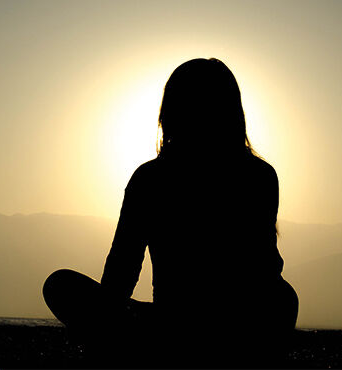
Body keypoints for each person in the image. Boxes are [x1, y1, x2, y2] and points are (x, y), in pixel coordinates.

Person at [43, 58, 298, 367]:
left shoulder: (150, 178)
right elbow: (266, 269)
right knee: (283, 297)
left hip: (174, 329)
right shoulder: (259, 175)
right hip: (230, 329)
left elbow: (121, 274)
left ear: (169, 112)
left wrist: (100, 326)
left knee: (61, 285)